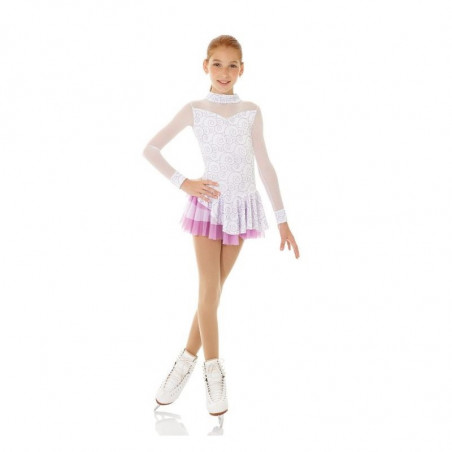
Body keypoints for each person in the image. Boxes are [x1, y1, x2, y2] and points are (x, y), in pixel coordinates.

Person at [143, 35, 300, 423]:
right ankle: (213, 372)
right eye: (217, 64)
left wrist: (283, 219)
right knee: (209, 289)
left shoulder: (251, 111)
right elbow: (151, 149)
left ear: (242, 69)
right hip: (208, 206)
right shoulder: (195, 109)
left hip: (241, 209)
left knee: (212, 295)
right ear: (205, 66)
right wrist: (184, 182)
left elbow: (265, 165)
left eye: (232, 65)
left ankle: (184, 360)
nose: (224, 72)